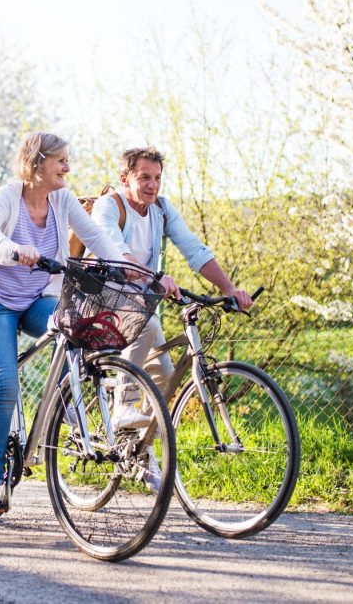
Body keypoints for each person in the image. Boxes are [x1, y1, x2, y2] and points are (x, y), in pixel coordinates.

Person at [0, 131, 128, 517]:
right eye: (61, 160)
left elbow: (93, 234)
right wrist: (9, 249)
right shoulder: (9, 195)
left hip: (38, 299)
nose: (68, 168)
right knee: (4, 385)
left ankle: (68, 405)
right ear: (36, 163)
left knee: (76, 334)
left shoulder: (62, 199)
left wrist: (124, 267)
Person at [91, 146, 254, 491]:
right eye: (144, 177)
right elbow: (114, 249)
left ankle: (140, 451)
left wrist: (229, 289)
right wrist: (149, 278)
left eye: (158, 178)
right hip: (101, 297)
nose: (153, 185)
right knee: (147, 325)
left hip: (140, 301)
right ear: (125, 179)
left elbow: (193, 249)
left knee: (166, 378)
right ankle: (123, 406)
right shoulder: (111, 205)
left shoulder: (161, 210)